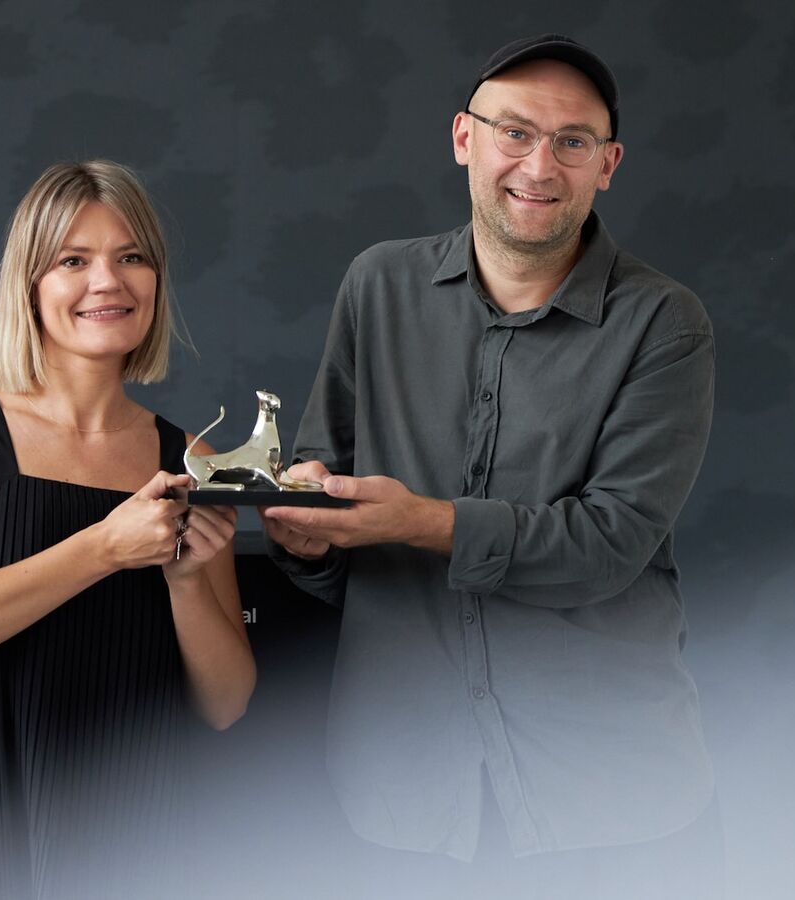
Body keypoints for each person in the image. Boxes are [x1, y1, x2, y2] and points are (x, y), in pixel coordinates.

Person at [261, 35, 722, 898]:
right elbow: (330, 529)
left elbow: (609, 545)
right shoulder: (377, 286)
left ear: (607, 164)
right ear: (463, 138)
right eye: (515, 132)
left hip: (611, 801)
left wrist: (421, 522)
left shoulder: (665, 323)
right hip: (402, 799)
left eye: (572, 141)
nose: (539, 166)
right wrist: (310, 539)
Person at [0, 160, 256, 899]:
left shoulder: (191, 458)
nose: (107, 281)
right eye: (73, 261)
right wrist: (104, 548)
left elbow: (227, 703)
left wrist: (184, 582)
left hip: (133, 844)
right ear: (30, 285)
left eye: (131, 257)